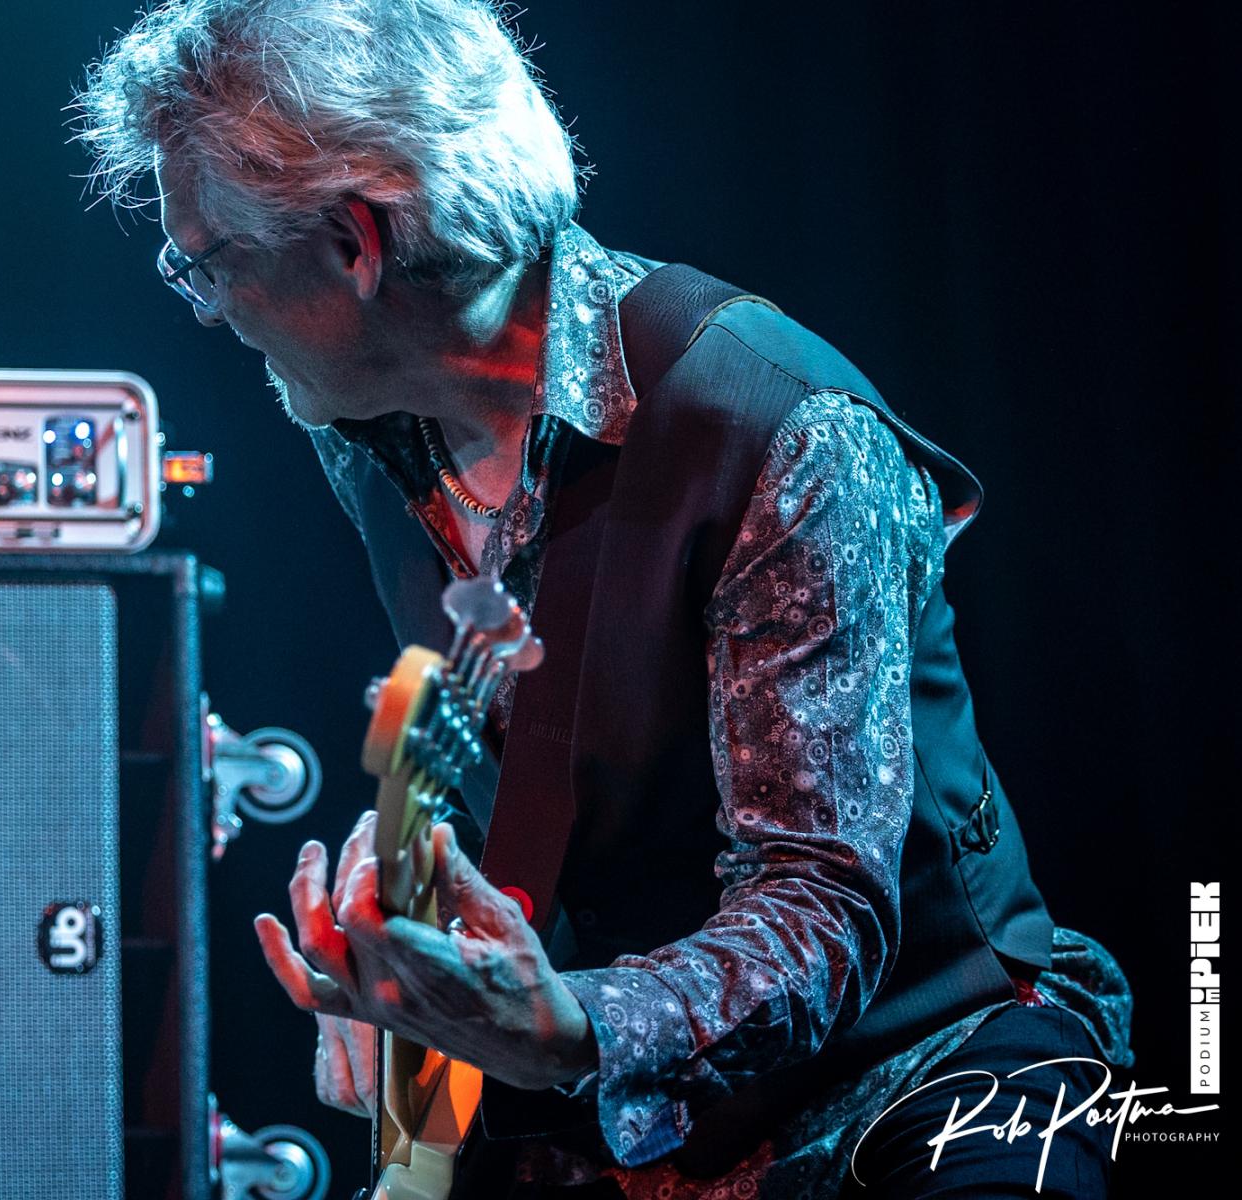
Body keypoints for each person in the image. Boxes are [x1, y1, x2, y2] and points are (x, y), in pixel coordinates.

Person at [76, 2, 1132, 1195]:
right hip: (611, 1099)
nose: (204, 307)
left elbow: (822, 903)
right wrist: (405, 953)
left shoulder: (778, 429)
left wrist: (567, 1027)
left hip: (910, 1067)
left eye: (206, 261)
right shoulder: (366, 417)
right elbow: (525, 753)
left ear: (352, 243)